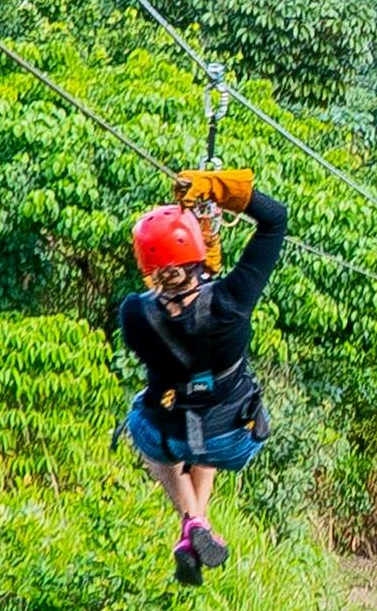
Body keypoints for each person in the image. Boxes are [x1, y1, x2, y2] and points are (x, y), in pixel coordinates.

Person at [119, 168, 285, 583]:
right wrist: (222, 192)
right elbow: (275, 219)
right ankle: (196, 526)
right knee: (209, 421)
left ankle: (192, 519)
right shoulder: (233, 302)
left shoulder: (135, 314)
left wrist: (200, 257)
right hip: (231, 437)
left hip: (170, 433)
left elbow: (176, 308)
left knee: (147, 419)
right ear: (196, 255)